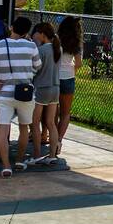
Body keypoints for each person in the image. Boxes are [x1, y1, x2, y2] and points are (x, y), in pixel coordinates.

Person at [0, 15, 42, 178]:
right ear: (27, 31)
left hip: (4, 93)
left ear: (11, 27)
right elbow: (37, 66)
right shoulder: (31, 46)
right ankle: (19, 161)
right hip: (25, 94)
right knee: (24, 127)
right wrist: (27, 75)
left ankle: (6, 166)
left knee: (3, 128)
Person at [30, 22, 63, 167]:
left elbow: (34, 70)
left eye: (37, 32)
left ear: (42, 34)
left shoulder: (40, 50)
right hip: (55, 88)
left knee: (35, 122)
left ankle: (37, 154)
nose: (35, 35)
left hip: (41, 88)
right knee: (51, 123)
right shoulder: (58, 49)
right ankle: (52, 155)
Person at [55, 16, 83, 142]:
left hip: (54, 78)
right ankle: (59, 140)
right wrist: (73, 71)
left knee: (53, 112)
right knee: (65, 113)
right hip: (68, 78)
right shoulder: (75, 43)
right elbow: (78, 63)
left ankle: (53, 137)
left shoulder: (55, 39)